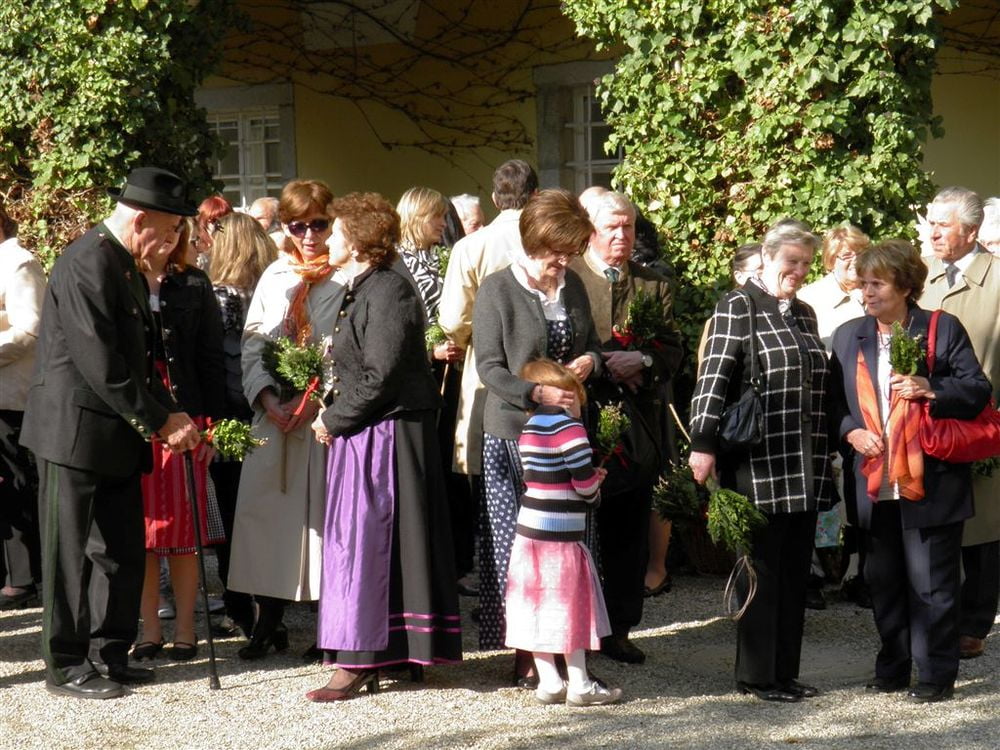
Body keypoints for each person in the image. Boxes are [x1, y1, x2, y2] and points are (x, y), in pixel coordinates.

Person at [20, 167, 202, 699]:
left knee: (119, 550)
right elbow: (101, 362)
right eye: (168, 229)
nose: (172, 240)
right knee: (69, 553)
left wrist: (173, 411)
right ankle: (66, 663)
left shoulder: (122, 264)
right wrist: (161, 420)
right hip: (73, 433)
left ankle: (109, 651)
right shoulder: (87, 261)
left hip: (116, 434)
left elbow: (138, 361)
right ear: (139, 219)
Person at [308, 192, 461, 701]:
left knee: (367, 545)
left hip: (387, 434)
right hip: (371, 430)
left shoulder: (388, 289)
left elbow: (382, 375)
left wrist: (333, 418)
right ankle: (386, 650)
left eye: (334, 231)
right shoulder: (366, 287)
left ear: (356, 241)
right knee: (371, 545)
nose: (326, 239)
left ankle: (362, 657)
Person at [829, 240, 991, 703]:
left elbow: (977, 390)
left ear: (904, 286)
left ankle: (936, 675)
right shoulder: (848, 335)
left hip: (931, 478)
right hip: (874, 478)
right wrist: (851, 433)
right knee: (883, 581)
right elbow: (833, 404)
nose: (866, 293)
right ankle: (893, 667)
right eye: (862, 284)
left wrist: (930, 387)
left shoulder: (941, 327)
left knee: (933, 584)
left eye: (876, 284)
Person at [689, 220, 834, 703]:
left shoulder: (805, 313)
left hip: (805, 460)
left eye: (806, 263)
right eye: (791, 261)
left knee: (794, 573)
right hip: (759, 461)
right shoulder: (738, 305)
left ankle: (784, 673)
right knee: (762, 571)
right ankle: (756, 675)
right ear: (768, 258)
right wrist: (702, 444)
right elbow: (712, 378)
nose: (799, 270)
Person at [472, 188, 602, 680]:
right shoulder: (497, 289)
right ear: (534, 241)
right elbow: (488, 367)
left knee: (568, 545)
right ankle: (527, 651)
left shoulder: (573, 286)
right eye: (557, 251)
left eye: (570, 251)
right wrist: (535, 394)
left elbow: (593, 343)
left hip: (568, 435)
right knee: (520, 546)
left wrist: (590, 361)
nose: (564, 261)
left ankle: (570, 642)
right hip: (514, 435)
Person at [227, 179, 342, 660]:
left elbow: (343, 347)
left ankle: (330, 625)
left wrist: (317, 399)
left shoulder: (344, 275)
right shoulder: (275, 275)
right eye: (298, 226)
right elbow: (254, 340)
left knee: (323, 521)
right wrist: (266, 395)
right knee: (266, 517)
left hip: (321, 417)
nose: (309, 235)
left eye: (318, 224)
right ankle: (267, 621)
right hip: (273, 415)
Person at [570, 190, 683, 664]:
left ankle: (619, 629)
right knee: (575, 531)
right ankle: (573, 631)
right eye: (612, 227)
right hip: (580, 418)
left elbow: (673, 349)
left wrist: (643, 361)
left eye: (629, 227)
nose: (622, 235)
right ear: (590, 231)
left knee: (627, 531)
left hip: (635, 427)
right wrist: (600, 363)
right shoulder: (569, 277)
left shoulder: (653, 284)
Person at [438, 160, 538, 590]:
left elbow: (452, 318)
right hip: (541, 371)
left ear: (496, 199)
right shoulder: (544, 238)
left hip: (487, 368)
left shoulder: (472, 246)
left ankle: (499, 587)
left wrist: (468, 338)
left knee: (493, 487)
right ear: (536, 195)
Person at [129, 219, 225, 662]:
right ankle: (150, 629)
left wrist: (213, 425)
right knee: (142, 532)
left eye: (176, 232)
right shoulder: (122, 278)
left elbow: (211, 356)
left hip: (187, 414)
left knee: (185, 532)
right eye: (163, 230)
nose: (169, 239)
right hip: (137, 416)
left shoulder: (194, 283)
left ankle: (186, 629)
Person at [505, 358, 621, 706]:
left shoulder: (529, 427)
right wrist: (595, 487)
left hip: (530, 530)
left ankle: (550, 681)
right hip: (561, 533)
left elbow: (541, 474)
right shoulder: (571, 429)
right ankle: (580, 683)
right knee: (569, 605)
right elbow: (583, 485)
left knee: (536, 602)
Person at [918, 186, 1000, 661]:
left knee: (983, 526)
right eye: (931, 223)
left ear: (970, 231)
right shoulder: (921, 275)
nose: (932, 233)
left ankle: (974, 622)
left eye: (942, 224)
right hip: (926, 420)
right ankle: (937, 616)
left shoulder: (997, 278)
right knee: (937, 522)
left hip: (983, 421)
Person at [394, 187, 471, 591]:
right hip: (419, 380)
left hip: (453, 376)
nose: (443, 224)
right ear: (416, 217)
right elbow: (396, 328)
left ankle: (455, 563)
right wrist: (430, 351)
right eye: (437, 216)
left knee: (451, 470)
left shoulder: (446, 256)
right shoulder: (396, 263)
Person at [206, 212, 277, 638]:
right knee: (266, 514)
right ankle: (270, 607)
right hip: (268, 410)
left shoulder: (217, 296)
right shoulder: (275, 288)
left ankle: (238, 608)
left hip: (230, 416)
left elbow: (216, 362)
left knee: (233, 516)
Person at [0, 200, 45, 609]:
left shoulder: (18, 262)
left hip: (11, 394)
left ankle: (23, 578)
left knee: (14, 481)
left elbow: (29, 328)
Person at [797, 224, 869, 349]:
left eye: (861, 254)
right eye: (847, 256)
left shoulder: (882, 292)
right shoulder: (809, 299)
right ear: (831, 260)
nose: (856, 261)